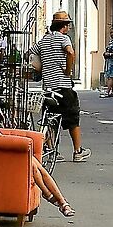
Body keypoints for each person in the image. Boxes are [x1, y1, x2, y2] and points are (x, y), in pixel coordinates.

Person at [34, 10, 87, 161]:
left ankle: (52, 152)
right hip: (63, 87)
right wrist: (68, 70)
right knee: (72, 119)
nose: (69, 28)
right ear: (64, 26)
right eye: (68, 24)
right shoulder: (64, 39)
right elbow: (70, 53)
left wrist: (42, 68)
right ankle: (77, 151)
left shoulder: (43, 41)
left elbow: (31, 55)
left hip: (48, 88)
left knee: (50, 119)